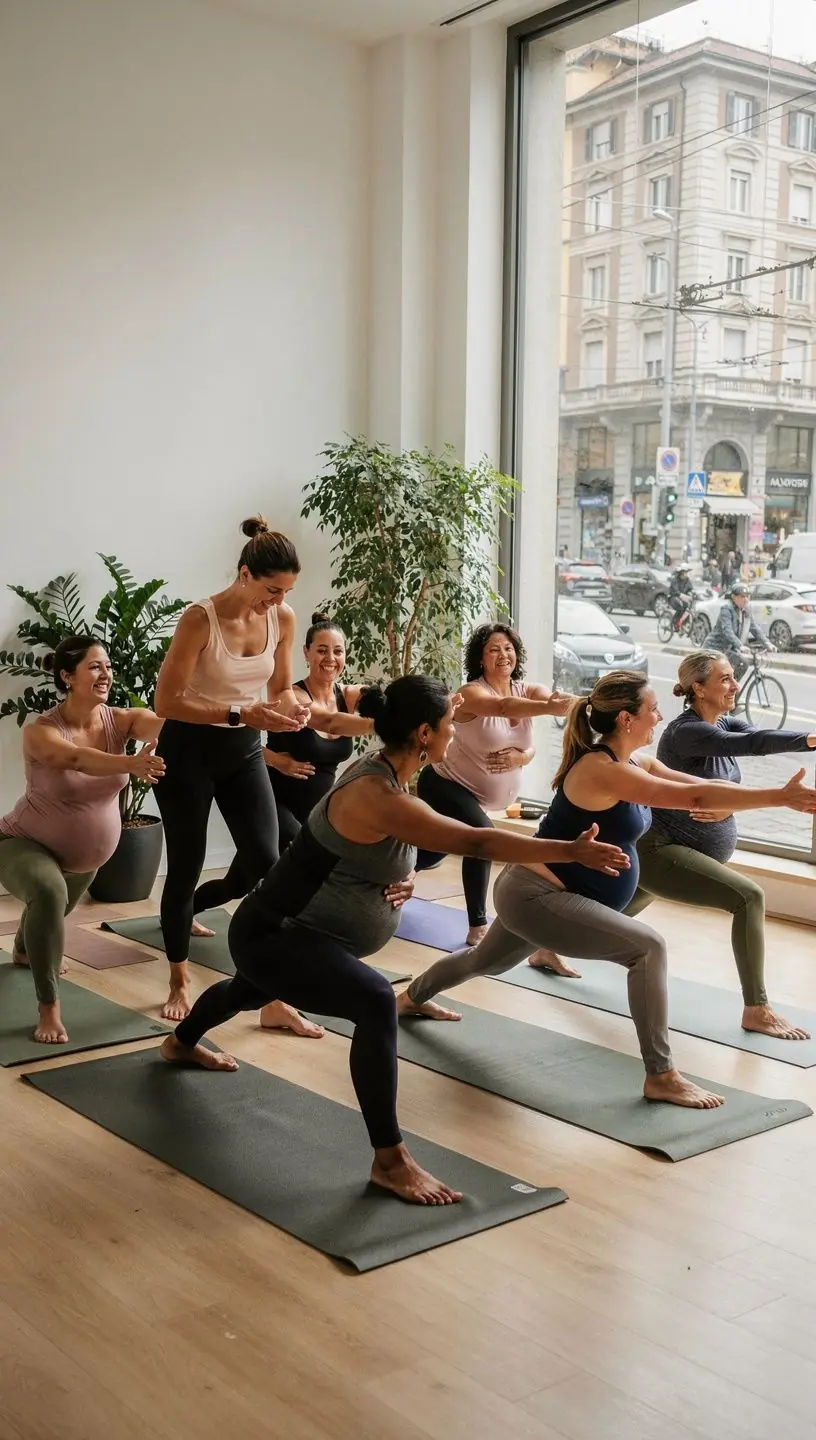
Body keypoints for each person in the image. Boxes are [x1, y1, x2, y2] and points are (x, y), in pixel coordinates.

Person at [160, 675, 629, 1204]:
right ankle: (390, 1160)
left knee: (248, 989)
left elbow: (373, 850)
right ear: (426, 733)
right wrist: (570, 851)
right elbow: (472, 839)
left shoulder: (391, 775)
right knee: (375, 1000)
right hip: (279, 932)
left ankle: (180, 1043)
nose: (456, 734)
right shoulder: (377, 792)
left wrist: (401, 876)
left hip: (296, 934)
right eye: (451, 726)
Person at [399, 672, 816, 1109]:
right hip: (536, 895)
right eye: (652, 709)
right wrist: (778, 798)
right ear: (626, 718)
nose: (659, 716)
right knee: (648, 948)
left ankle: (409, 997)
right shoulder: (600, 769)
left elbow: (699, 789)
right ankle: (662, 1075)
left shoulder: (636, 763)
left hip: (540, 893)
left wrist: (764, 794)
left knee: (485, 960)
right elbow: (692, 802)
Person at [154, 516, 319, 1023]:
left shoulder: (283, 618)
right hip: (187, 751)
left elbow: (282, 686)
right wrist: (237, 713)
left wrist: (295, 706)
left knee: (267, 861)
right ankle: (179, 976)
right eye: (272, 590)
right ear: (245, 573)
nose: (278, 601)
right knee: (185, 865)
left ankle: (268, 991)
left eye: (286, 592)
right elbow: (166, 700)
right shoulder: (199, 619)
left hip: (243, 748)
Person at [625, 651, 816, 1040]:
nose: (736, 685)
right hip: (662, 850)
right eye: (726, 679)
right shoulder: (686, 732)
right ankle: (757, 1008)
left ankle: (543, 944)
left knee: (598, 918)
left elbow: (751, 739)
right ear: (698, 687)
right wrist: (810, 738)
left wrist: (729, 802)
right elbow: (755, 744)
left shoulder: (723, 722)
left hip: (679, 852)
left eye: (733, 677)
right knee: (749, 897)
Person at [0, 635, 164, 1044]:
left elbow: (166, 726)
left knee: (48, 910)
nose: (106, 673)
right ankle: (49, 1008)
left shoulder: (122, 720)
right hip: (20, 841)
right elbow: (74, 758)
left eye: (107, 666)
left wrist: (234, 718)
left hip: (84, 862)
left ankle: (23, 950)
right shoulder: (40, 731)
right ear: (67, 676)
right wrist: (130, 762)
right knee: (49, 893)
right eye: (94, 666)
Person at [415, 623, 573, 945]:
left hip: (477, 795)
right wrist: (549, 708)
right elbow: (503, 708)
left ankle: (387, 868)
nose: (503, 655)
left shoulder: (527, 691)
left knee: (432, 854)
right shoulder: (470, 693)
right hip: (444, 783)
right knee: (482, 838)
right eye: (494, 649)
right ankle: (477, 926)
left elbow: (550, 705)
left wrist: (525, 756)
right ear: (481, 659)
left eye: (508, 648)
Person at [707, 582, 772, 680]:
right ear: (734, 597)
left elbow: (754, 628)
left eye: (747, 596)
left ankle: (730, 691)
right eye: (742, 596)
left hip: (730, 649)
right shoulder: (726, 610)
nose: (746, 599)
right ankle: (728, 690)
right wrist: (740, 645)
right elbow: (727, 631)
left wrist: (767, 643)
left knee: (741, 665)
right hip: (716, 647)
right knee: (742, 663)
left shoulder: (746, 610)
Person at [667, 565, 694, 632]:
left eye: (686, 572)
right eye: (685, 572)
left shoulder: (687, 580)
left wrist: (691, 593)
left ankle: (682, 622)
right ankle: (674, 621)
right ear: (681, 572)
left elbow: (690, 589)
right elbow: (676, 591)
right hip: (673, 598)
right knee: (680, 605)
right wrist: (682, 595)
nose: (686, 574)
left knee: (688, 607)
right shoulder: (675, 580)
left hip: (682, 598)